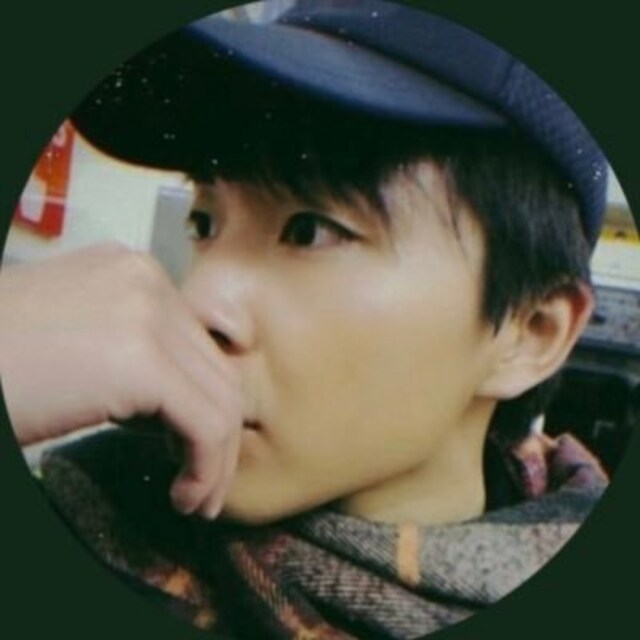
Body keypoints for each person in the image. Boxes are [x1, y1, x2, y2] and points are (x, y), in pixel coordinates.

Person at [0, 1, 610, 637]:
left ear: (530, 334)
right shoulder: (91, 514)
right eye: (204, 223)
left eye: (310, 230)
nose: (197, 301)